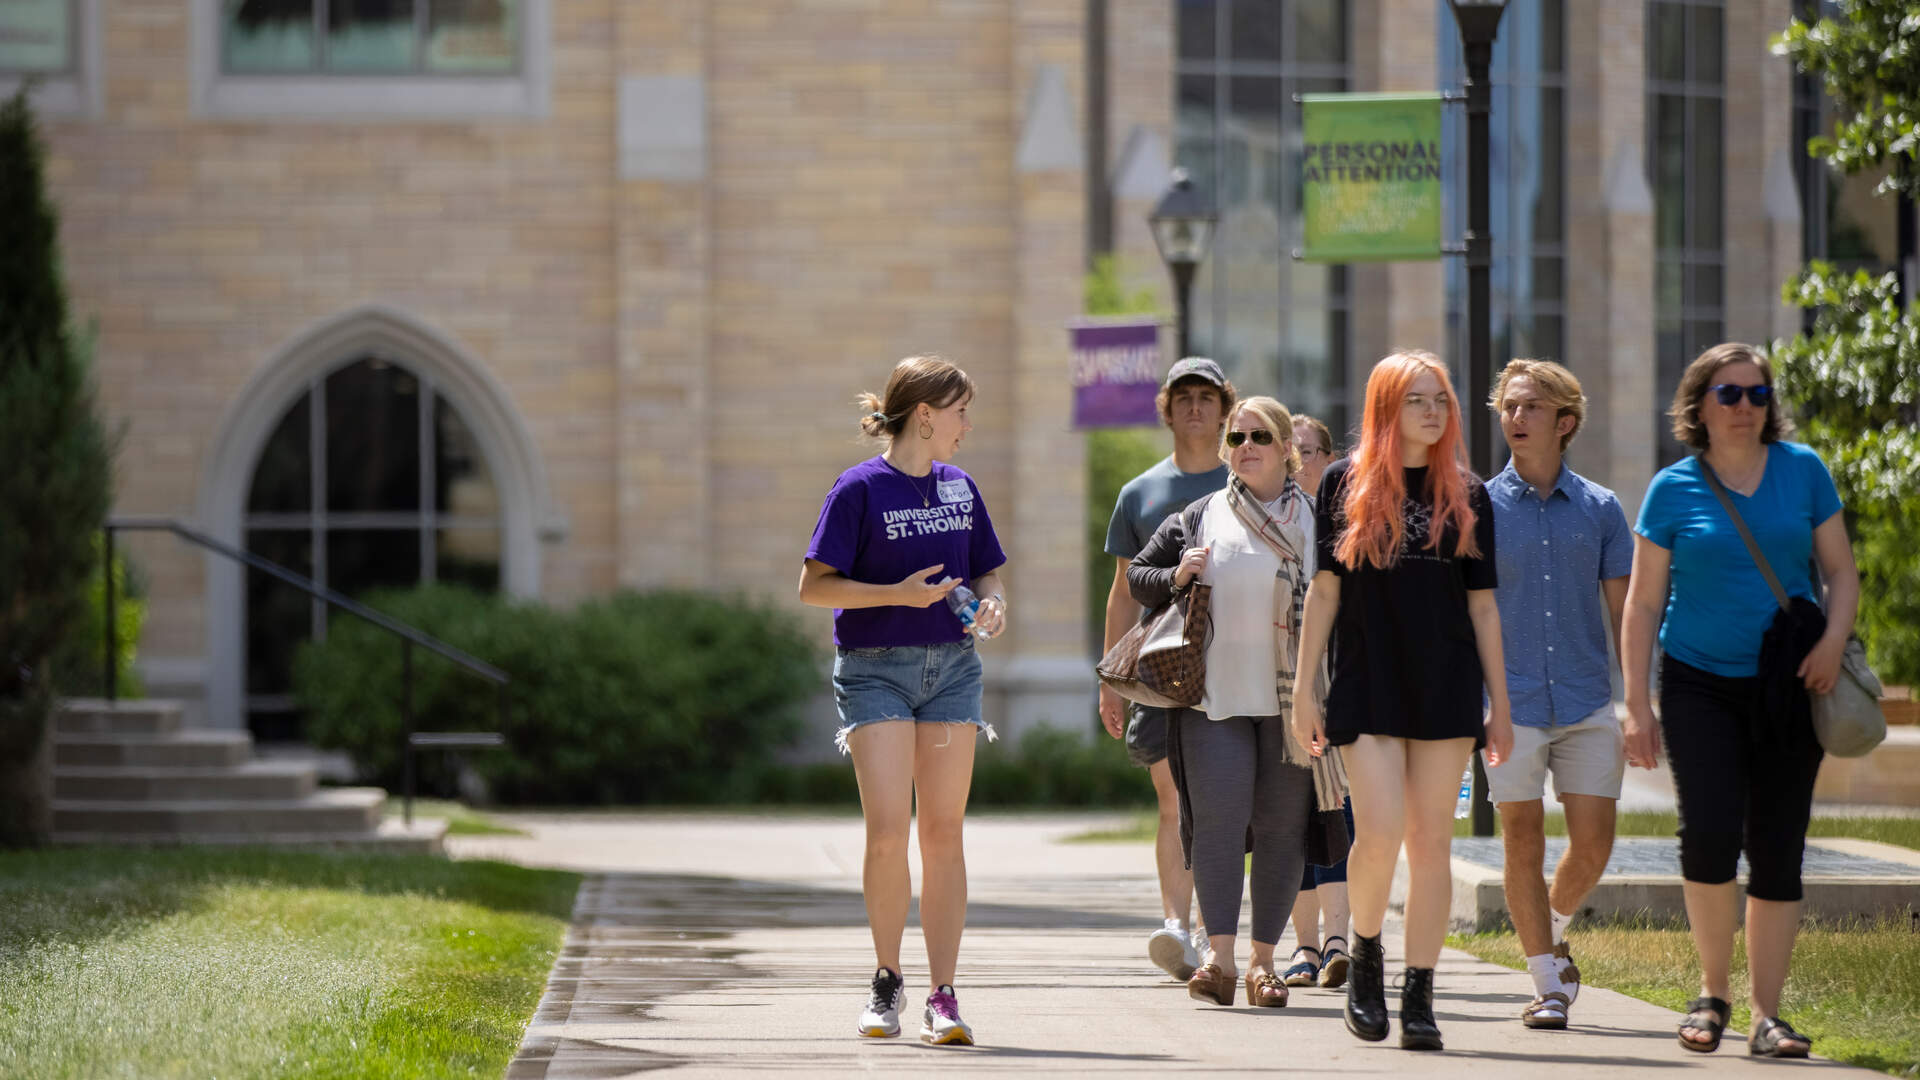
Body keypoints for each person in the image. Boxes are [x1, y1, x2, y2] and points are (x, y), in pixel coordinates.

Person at [1621, 342, 1857, 1059]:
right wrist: (1636, 703)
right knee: (1711, 833)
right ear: (1700, 405)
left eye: (1758, 395)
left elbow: (1841, 573)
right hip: (1698, 682)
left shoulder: (1803, 471)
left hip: (1791, 681)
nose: (1747, 408)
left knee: (1779, 845)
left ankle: (1767, 1014)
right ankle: (1712, 992)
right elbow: (1641, 602)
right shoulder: (1673, 489)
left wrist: (1830, 643)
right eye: (1731, 395)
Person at [1293, 350, 1514, 1051]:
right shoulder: (1342, 483)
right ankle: (1364, 953)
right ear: (1387, 406)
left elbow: (1483, 608)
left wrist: (1500, 706)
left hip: (1447, 689)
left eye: (1441, 400)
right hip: (1368, 682)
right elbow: (1323, 592)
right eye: (1418, 399)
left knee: (1432, 845)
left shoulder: (1470, 494)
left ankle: (1420, 992)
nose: (1432, 411)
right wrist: (1304, 691)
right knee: (1379, 833)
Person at [799, 355, 1009, 1047]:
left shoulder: (960, 486)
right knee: (889, 830)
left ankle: (943, 997)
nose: (966, 427)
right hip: (875, 670)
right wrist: (897, 594)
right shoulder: (858, 489)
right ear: (926, 415)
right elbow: (815, 586)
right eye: (960, 413)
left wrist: (994, 603)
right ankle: (886, 982)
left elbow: (988, 566)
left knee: (943, 833)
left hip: (954, 670)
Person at [1127, 396, 1344, 1009]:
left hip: (1293, 708)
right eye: (1236, 437)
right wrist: (1177, 574)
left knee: (1281, 832)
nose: (1244, 446)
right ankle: (1219, 962)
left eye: (1259, 436)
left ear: (1287, 451)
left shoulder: (1319, 522)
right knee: (1217, 828)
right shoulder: (1200, 516)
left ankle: (1264, 964)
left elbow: (1347, 603)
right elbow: (1137, 576)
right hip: (1212, 703)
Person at [1482, 360, 1633, 1030]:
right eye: (1509, 407)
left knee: (1595, 842)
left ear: (1564, 422)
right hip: (1508, 705)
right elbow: (1467, 612)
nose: (1515, 419)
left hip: (1585, 699)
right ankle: (1546, 979)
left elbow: (1627, 612)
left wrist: (1637, 705)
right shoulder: (1479, 508)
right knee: (1521, 838)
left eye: (1530, 408)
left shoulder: (1602, 509)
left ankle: (1550, 925)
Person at [1099, 356, 1236, 980]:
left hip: (1234, 668)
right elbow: (1123, 592)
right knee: (1172, 799)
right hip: (1157, 671)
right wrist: (1109, 682)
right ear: (1168, 409)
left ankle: (1216, 931)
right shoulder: (1141, 493)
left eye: (1206, 396)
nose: (1195, 408)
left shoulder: (1246, 481)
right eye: (1183, 397)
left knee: (1222, 802)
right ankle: (1177, 928)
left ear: (1224, 408)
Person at [1281, 413, 1354, 990]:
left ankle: (1338, 939)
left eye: (1309, 451)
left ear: (1330, 458)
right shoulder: (1272, 518)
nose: (1299, 461)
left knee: (1339, 812)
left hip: (1344, 683)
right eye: (1292, 451)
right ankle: (1305, 945)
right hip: (1283, 685)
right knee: (1293, 814)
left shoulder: (1347, 518)